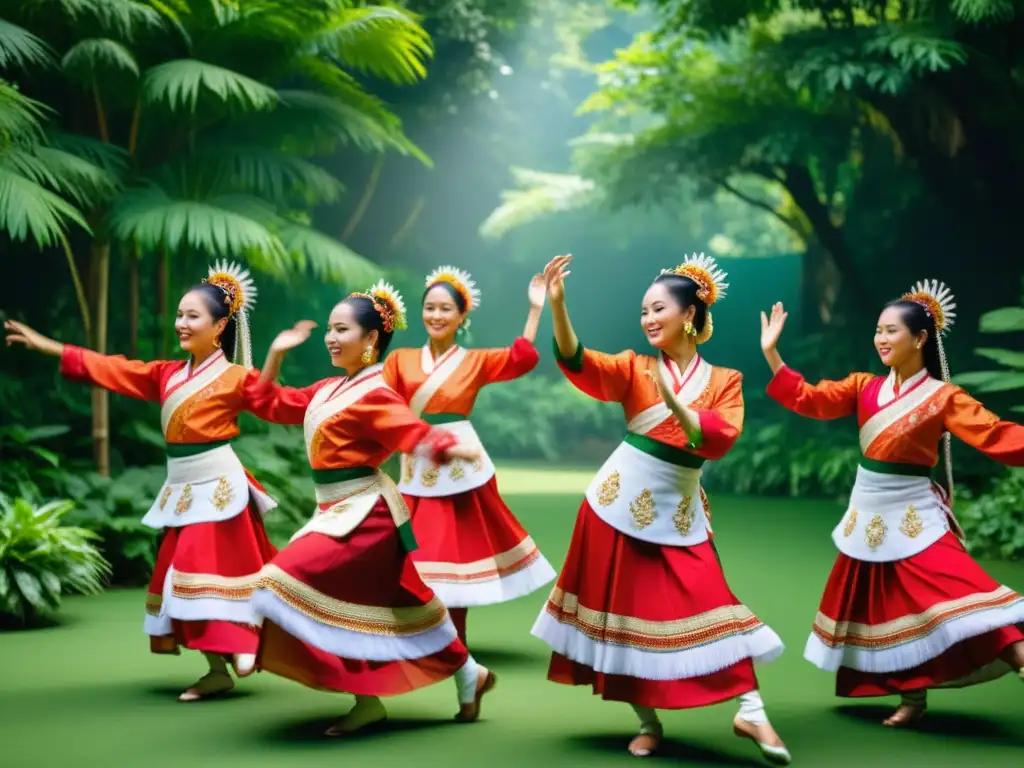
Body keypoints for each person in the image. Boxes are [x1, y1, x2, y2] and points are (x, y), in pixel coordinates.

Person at [531, 253, 790, 764]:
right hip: (613, 506)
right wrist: (559, 308)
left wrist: (678, 406)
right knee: (622, 616)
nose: (648, 319)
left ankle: (751, 709)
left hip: (679, 511)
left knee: (713, 600)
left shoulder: (726, 381)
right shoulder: (633, 367)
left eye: (657, 309)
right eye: (643, 312)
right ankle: (647, 720)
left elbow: (719, 439)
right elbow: (580, 361)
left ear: (688, 315)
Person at [3, 261, 279, 702]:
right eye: (179, 315)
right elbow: (113, 369)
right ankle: (217, 669)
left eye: (193, 316)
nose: (181, 324)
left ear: (220, 325)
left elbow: (283, 403)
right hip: (184, 492)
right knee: (179, 577)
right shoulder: (167, 374)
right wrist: (50, 347)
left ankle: (245, 640)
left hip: (221, 488)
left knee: (220, 571)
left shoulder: (237, 377)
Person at [760, 279, 1024, 727]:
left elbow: (995, 434)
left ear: (920, 338)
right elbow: (810, 398)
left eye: (891, 331)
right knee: (884, 604)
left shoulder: (943, 397)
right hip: (867, 516)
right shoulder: (864, 386)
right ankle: (912, 699)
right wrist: (772, 354)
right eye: (878, 330)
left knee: (969, 598)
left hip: (915, 515)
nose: (881, 339)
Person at [244, 280, 497, 737]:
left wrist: (449, 447)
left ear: (371, 340)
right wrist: (275, 356)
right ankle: (464, 674)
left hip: (366, 516)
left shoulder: (376, 392)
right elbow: (269, 403)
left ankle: (257, 645)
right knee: (398, 608)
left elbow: (411, 430)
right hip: (336, 512)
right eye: (329, 329)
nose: (330, 337)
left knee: (276, 580)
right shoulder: (326, 390)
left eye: (342, 329)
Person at [381, 266, 556, 645]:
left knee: (456, 554)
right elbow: (384, 406)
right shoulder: (399, 360)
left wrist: (535, 310)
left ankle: (453, 636)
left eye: (446, 309)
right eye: (430, 307)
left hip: (462, 468)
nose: (436, 316)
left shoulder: (475, 360)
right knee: (410, 549)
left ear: (462, 316)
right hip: (417, 458)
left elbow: (520, 360)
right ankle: (411, 628)